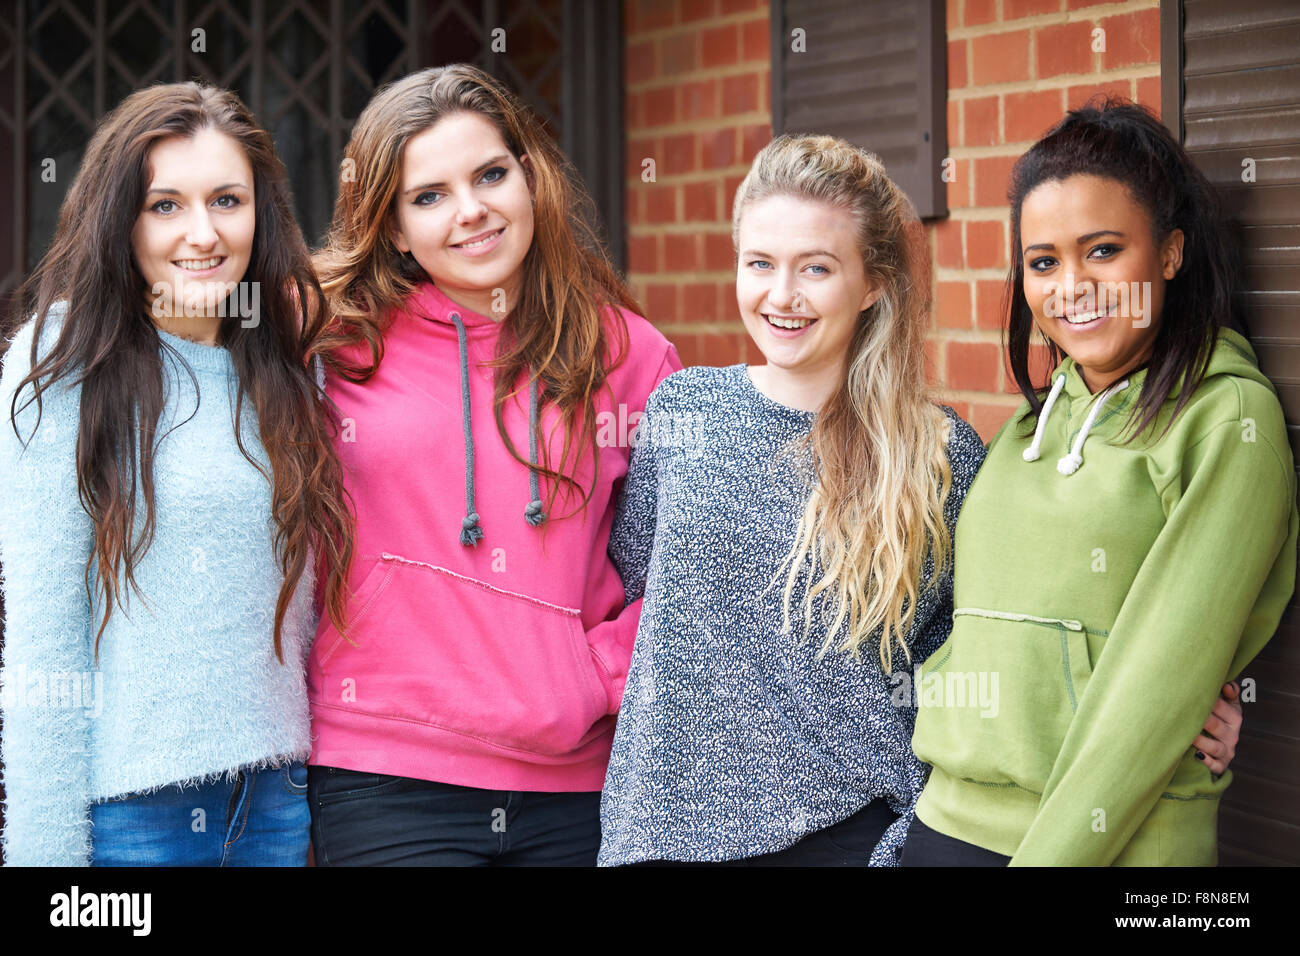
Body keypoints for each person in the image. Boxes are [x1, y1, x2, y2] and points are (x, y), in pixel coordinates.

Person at [597, 133, 1245, 868]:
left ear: (872, 283)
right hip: (668, 831)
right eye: (760, 264)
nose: (782, 295)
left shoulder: (941, 453)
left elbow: (993, 643)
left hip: (858, 833)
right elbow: (632, 591)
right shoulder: (683, 411)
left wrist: (1191, 714)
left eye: (815, 267)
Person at [304, 64, 680, 866]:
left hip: (576, 783)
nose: (471, 211)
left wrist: (596, 676)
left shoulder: (629, 355)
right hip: (385, 772)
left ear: (530, 179)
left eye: (490, 175)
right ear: (394, 227)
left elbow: (687, 559)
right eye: (429, 195)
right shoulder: (333, 349)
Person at [905, 100, 1295, 866]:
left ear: (1171, 253)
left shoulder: (1226, 422)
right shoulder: (1026, 431)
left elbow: (1156, 693)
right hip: (947, 829)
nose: (1071, 286)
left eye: (1104, 250)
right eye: (1044, 262)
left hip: (1114, 846)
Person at [0, 82, 354, 867]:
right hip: (130, 820)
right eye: (166, 205)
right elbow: (43, 645)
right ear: (119, 216)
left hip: (279, 804)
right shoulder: (61, 365)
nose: (203, 233)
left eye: (227, 199)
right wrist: (45, 864)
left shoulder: (292, 363)